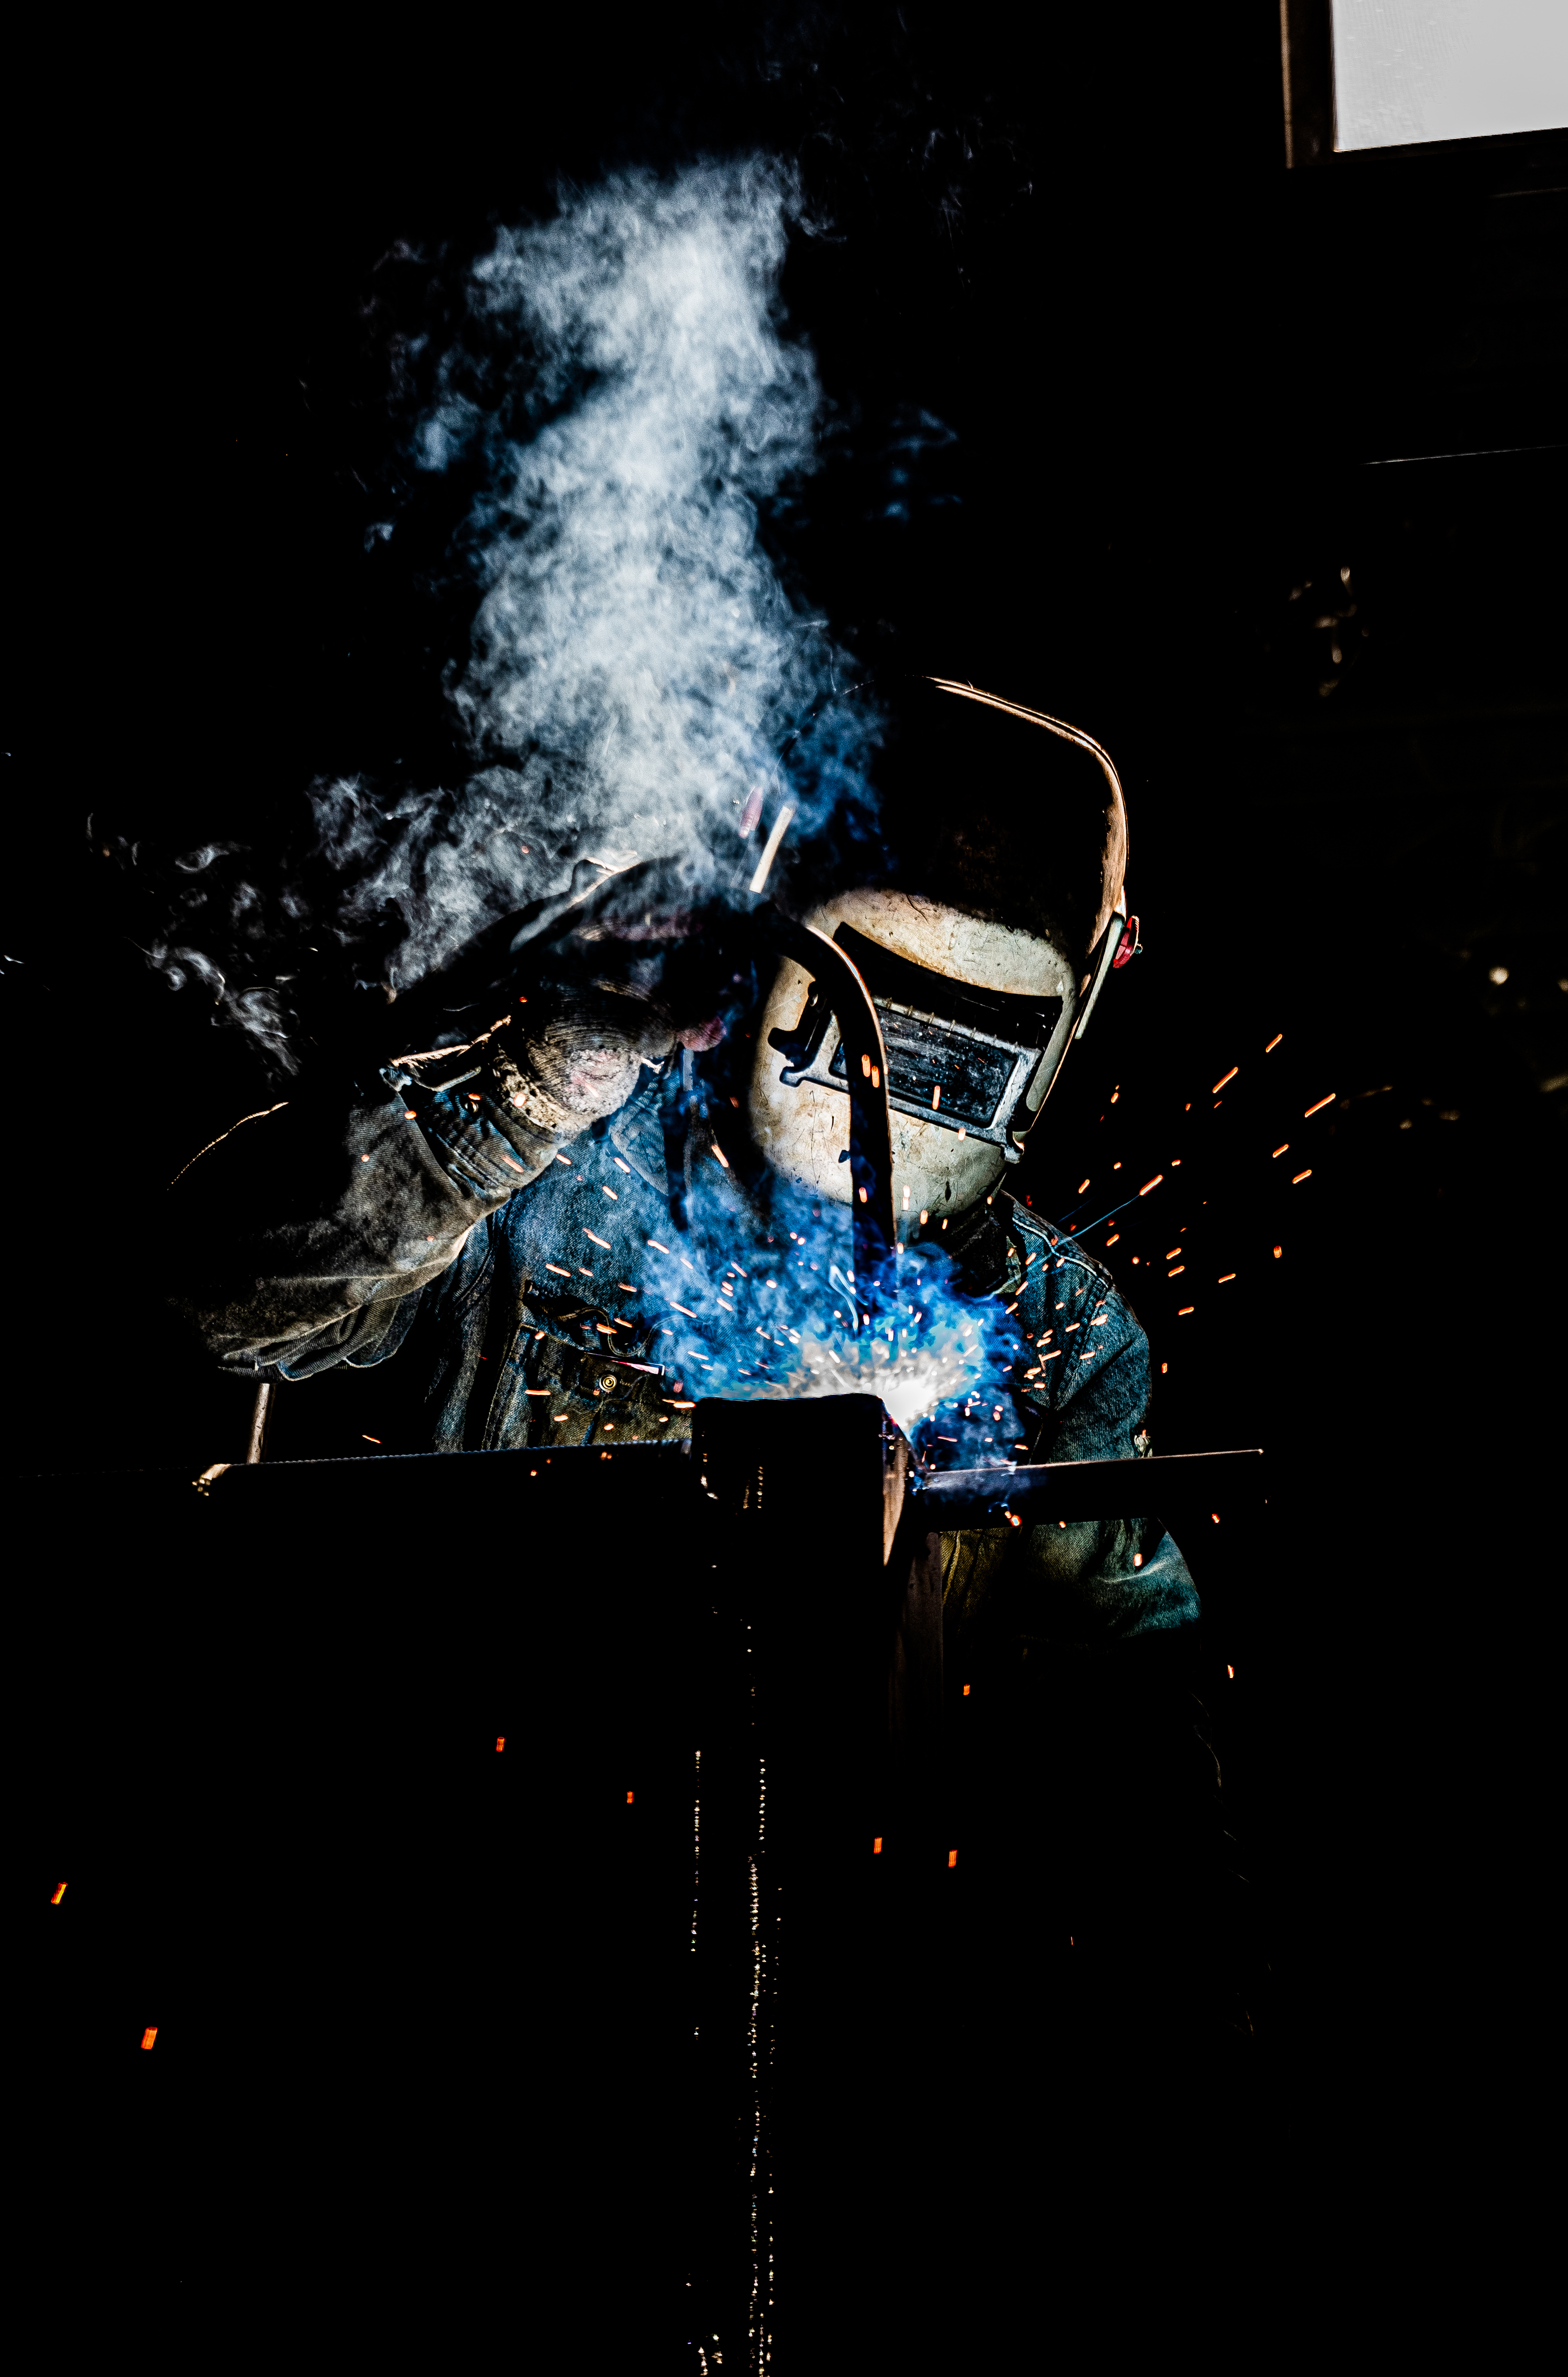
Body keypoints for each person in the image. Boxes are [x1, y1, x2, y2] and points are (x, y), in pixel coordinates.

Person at [163, 674, 1260, 2045]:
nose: (895, 1088)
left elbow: (1126, 1732)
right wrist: (525, 1089)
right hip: (459, 1927)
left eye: (959, 1053)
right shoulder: (553, 1175)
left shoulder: (1062, 1333)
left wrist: (1195, 2021)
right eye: (874, 1016)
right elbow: (222, 1301)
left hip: (837, 1992)